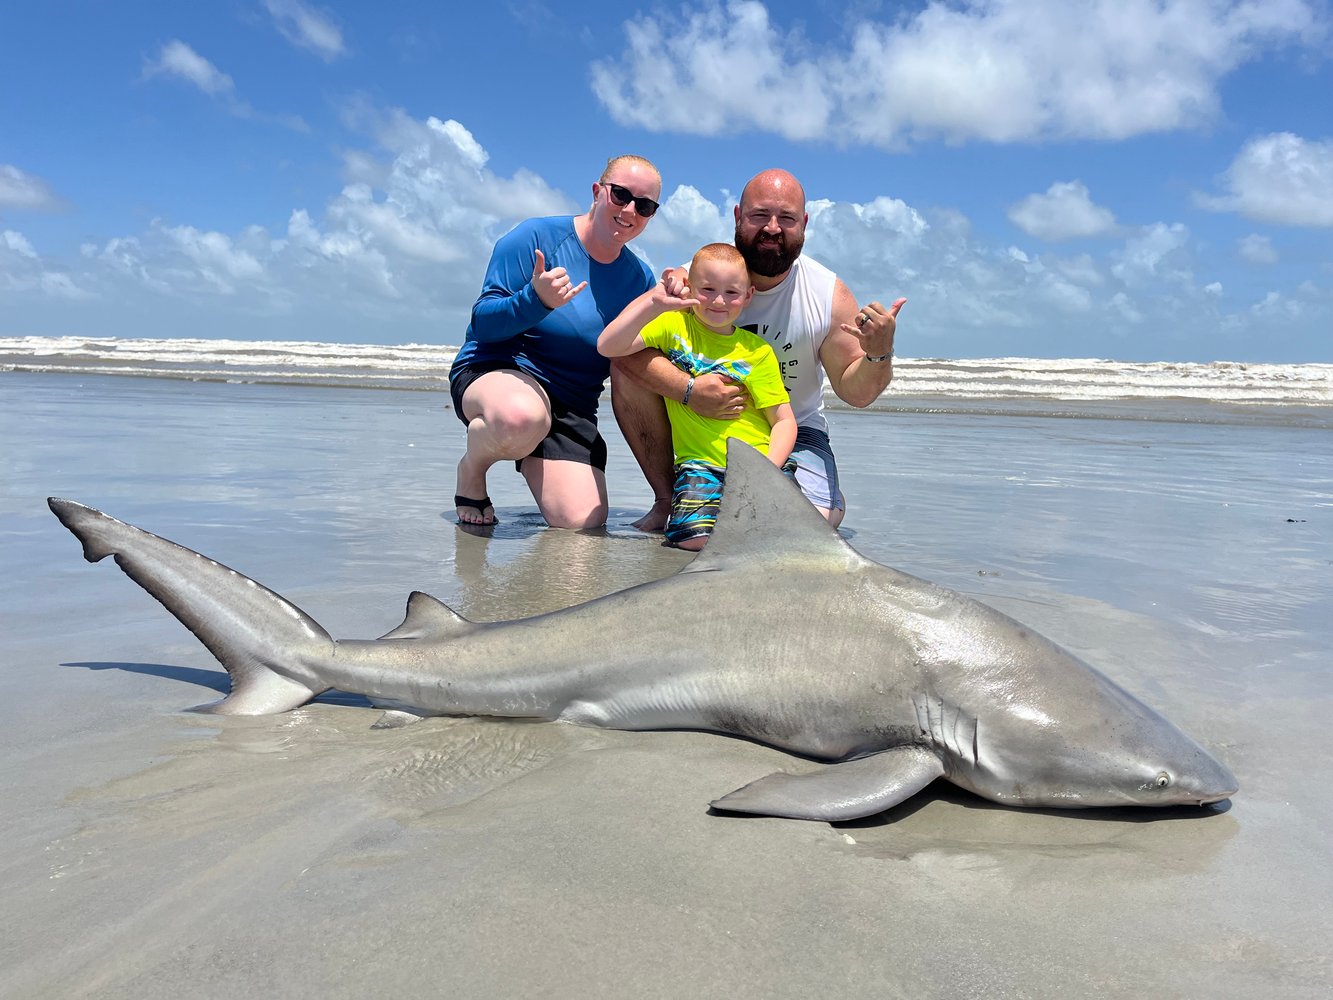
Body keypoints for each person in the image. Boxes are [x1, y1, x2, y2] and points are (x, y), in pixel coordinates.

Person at [610, 168, 906, 531]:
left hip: (792, 429)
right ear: (737, 216)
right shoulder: (695, 279)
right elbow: (620, 347)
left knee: (809, 527)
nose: (772, 228)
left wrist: (878, 353)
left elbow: (855, 392)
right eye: (759, 215)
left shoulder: (828, 293)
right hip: (701, 426)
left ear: (804, 223)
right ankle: (667, 498)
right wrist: (688, 391)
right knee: (629, 373)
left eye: (786, 218)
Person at [448, 155, 661, 528]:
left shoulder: (640, 279)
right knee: (521, 417)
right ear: (597, 192)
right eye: (621, 195)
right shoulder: (534, 239)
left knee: (583, 524)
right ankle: (473, 469)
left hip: (572, 405)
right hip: (500, 372)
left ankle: (533, 447)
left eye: (644, 206)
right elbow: (482, 324)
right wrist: (536, 300)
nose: (629, 210)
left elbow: (640, 356)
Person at [598, 243, 796, 550]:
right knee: (696, 541)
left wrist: (767, 470)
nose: (719, 300)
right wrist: (654, 303)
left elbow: (784, 421)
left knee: (787, 539)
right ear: (689, 287)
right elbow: (608, 346)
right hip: (700, 467)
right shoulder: (672, 325)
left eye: (732, 292)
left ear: (748, 296)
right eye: (707, 289)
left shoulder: (757, 351)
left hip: (758, 463)